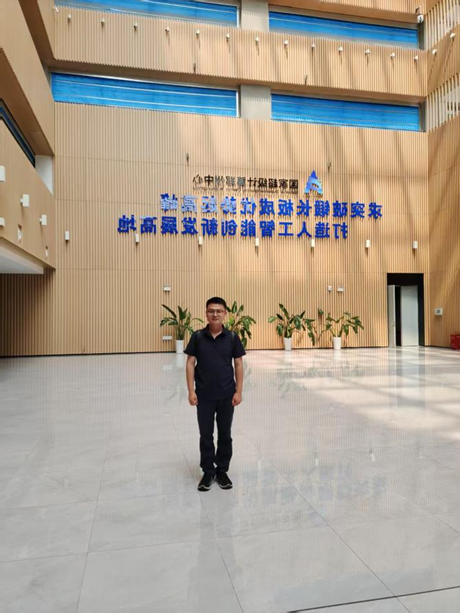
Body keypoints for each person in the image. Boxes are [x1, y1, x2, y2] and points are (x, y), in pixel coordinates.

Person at [185, 297, 245, 491]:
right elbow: (190, 363)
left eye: (219, 311)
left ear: (225, 313)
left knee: (225, 434)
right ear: (206, 313)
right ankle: (208, 472)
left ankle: (222, 471)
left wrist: (238, 391)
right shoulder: (197, 337)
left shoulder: (232, 337)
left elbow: (238, 364)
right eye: (211, 311)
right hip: (204, 395)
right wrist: (191, 391)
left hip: (227, 395)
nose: (215, 314)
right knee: (206, 435)